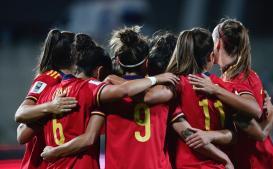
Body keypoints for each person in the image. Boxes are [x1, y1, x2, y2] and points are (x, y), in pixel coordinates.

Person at [38, 32, 178, 169]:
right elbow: (146, 96)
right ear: (146, 62)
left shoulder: (106, 92)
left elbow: (88, 137)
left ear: (117, 61)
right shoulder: (164, 91)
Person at [189, 18, 273, 169]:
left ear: (218, 43)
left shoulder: (236, 80)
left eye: (212, 42)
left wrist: (215, 90)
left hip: (258, 163)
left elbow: (254, 111)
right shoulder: (237, 76)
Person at [15, 29, 77, 169]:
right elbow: (20, 113)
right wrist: (51, 106)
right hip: (39, 164)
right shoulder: (49, 78)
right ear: (74, 54)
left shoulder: (76, 83)